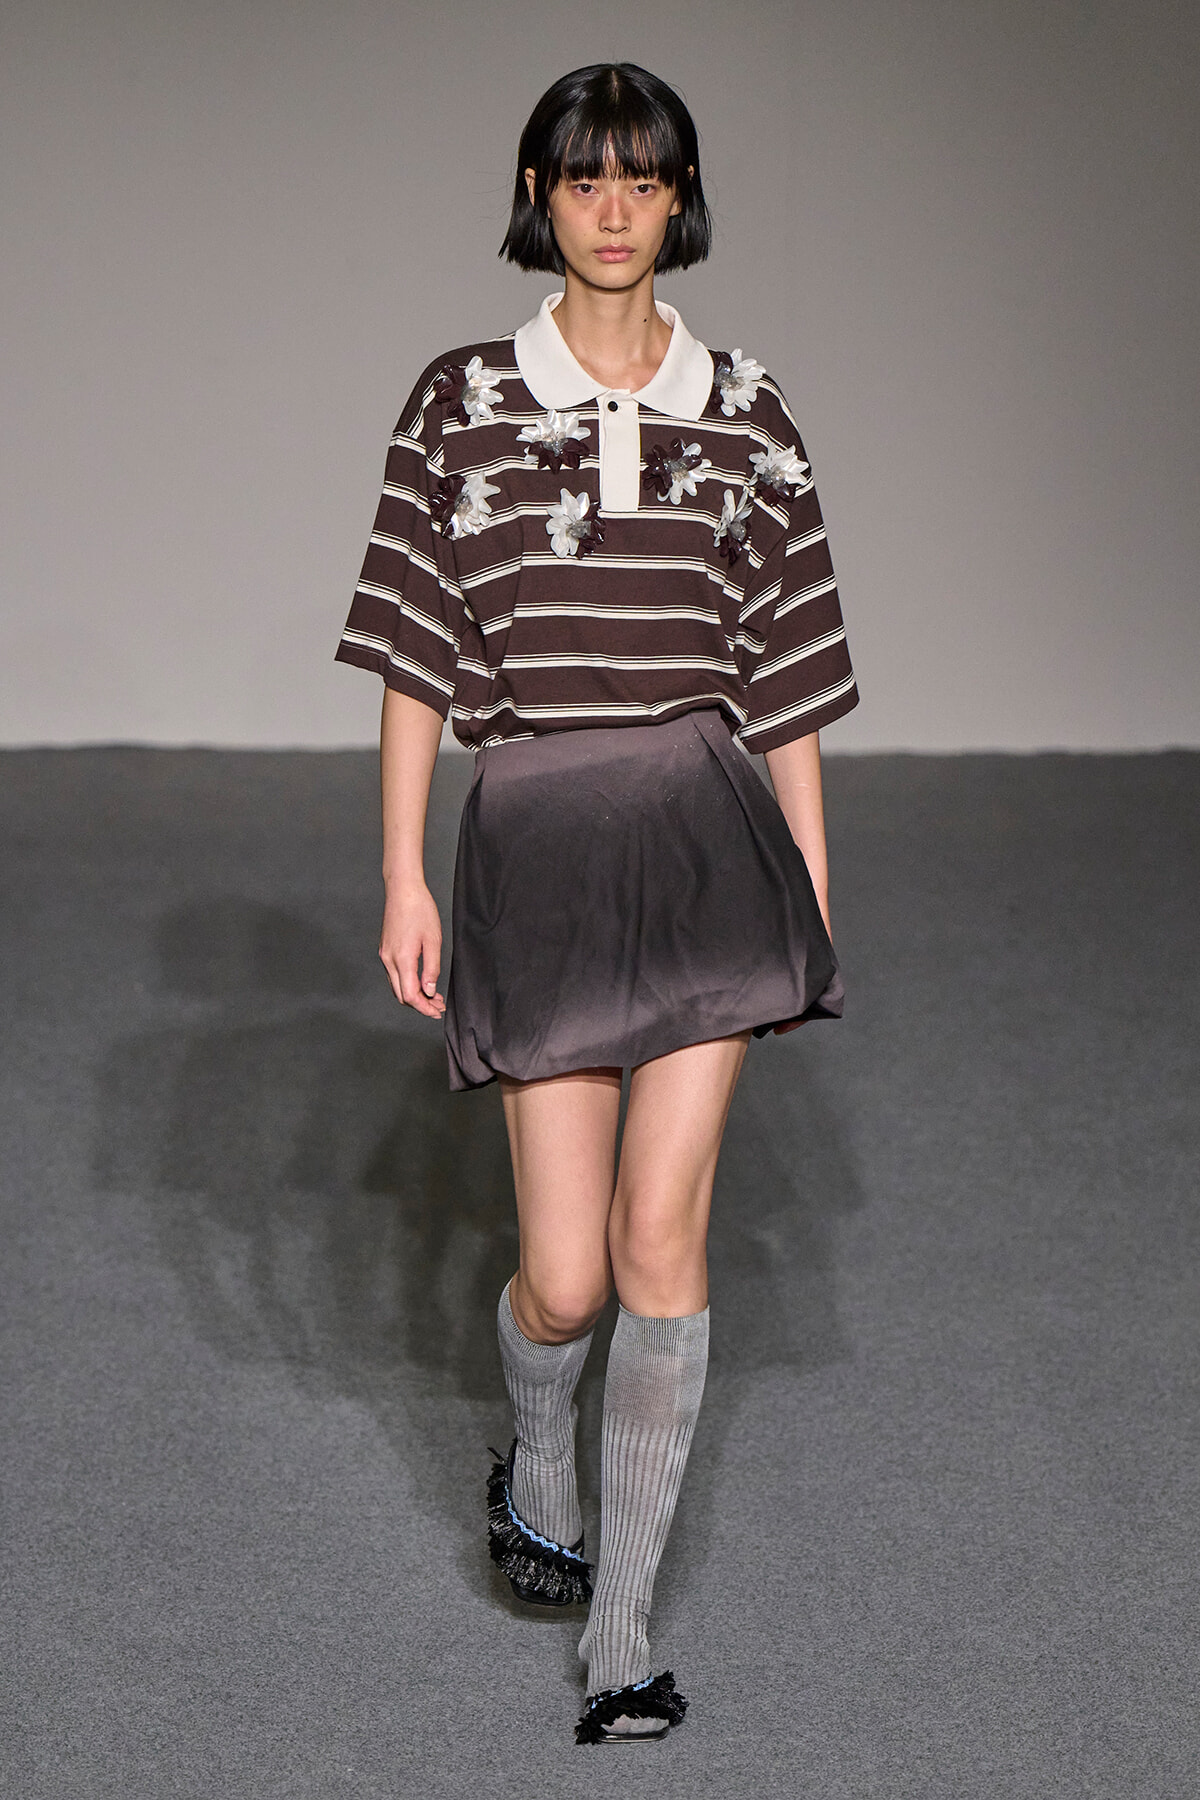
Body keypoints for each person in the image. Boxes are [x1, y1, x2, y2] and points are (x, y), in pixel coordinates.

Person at [335, 62, 858, 1744]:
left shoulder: (750, 410)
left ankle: (619, 1638)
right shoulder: (462, 400)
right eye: (584, 178)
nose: (615, 208)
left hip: (706, 843)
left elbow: (790, 669)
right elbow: (415, 648)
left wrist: (808, 886)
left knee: (657, 1241)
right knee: (562, 1280)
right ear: (539, 198)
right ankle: (536, 1454)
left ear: (681, 198)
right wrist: (404, 868)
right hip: (541, 838)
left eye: (644, 178)